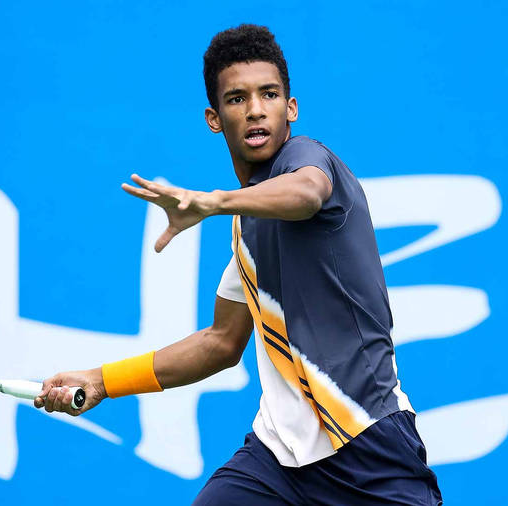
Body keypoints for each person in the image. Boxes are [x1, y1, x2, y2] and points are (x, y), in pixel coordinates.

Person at [35, 24, 442, 505]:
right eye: (237, 98)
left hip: (367, 448)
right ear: (214, 117)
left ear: (290, 108)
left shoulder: (310, 160)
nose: (255, 109)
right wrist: (103, 380)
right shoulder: (247, 230)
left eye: (269, 94)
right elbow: (220, 343)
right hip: (276, 462)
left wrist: (214, 202)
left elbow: (306, 192)